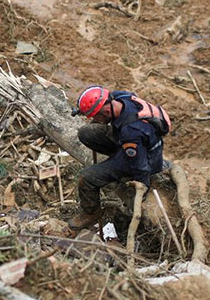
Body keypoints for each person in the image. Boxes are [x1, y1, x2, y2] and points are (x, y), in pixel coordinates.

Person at [67, 86, 171, 230]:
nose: (94, 119)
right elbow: (100, 116)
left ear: (107, 111)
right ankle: (115, 158)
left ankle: (91, 212)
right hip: (140, 143)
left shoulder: (131, 132)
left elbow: (140, 167)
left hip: (143, 158)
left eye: (96, 116)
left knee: (86, 177)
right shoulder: (120, 97)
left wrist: (140, 190)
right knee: (86, 132)